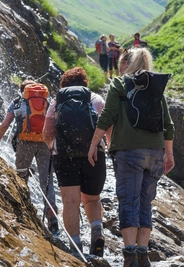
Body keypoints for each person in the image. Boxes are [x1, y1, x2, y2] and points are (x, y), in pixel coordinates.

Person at [87, 48, 175, 267]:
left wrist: (93, 143)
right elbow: (168, 124)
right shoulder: (156, 87)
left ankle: (130, 257)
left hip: (129, 152)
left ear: (128, 63)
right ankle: (143, 255)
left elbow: (108, 115)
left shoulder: (119, 84)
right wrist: (169, 154)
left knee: (128, 202)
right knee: (145, 203)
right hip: (155, 153)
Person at [43, 67, 108, 256]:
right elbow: (106, 128)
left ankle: (76, 247)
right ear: (85, 83)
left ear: (64, 85)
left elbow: (47, 134)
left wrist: (53, 148)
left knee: (70, 201)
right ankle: (97, 233)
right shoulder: (96, 100)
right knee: (93, 198)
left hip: (65, 156)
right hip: (94, 154)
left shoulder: (57, 102)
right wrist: (106, 146)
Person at [0, 80, 59, 234]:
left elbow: (5, 124)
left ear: (22, 90)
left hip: (25, 143)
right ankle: (52, 217)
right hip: (45, 143)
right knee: (47, 181)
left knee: (21, 176)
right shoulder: (47, 101)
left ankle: (22, 211)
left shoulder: (18, 101)